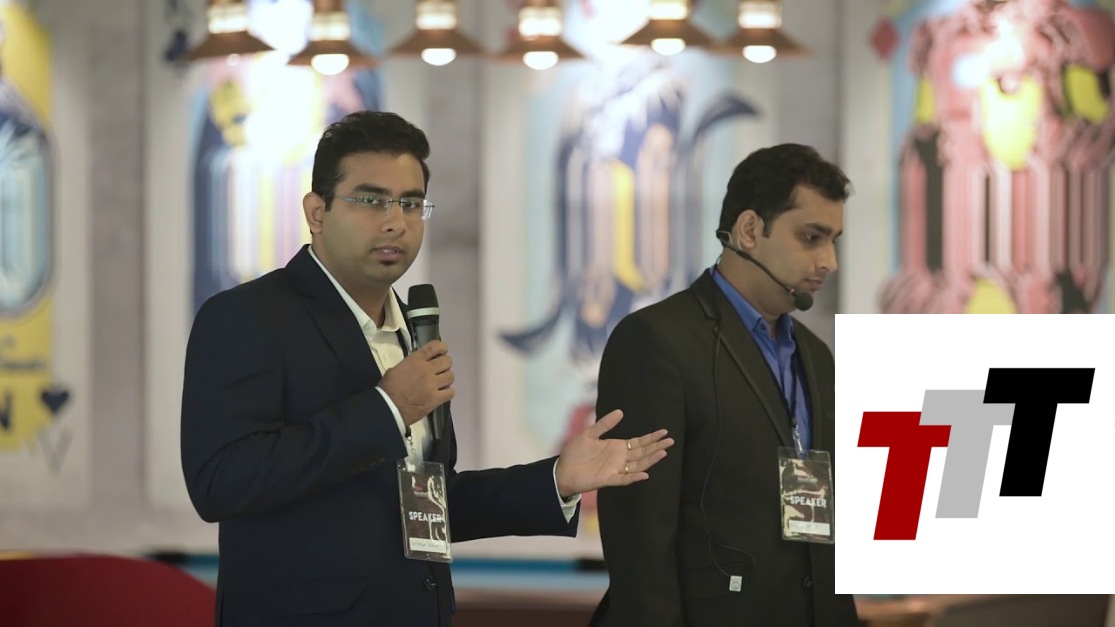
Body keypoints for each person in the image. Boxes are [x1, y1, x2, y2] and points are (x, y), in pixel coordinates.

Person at [180, 110, 674, 627]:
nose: (396, 221)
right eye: (371, 200)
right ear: (317, 212)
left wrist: (556, 480)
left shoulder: (413, 331)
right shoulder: (247, 317)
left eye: (411, 203)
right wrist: (387, 408)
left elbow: (428, 501)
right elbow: (220, 483)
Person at [589, 144, 860, 626]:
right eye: (812, 237)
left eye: (834, 240)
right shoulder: (656, 341)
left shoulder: (816, 356)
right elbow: (639, 541)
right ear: (750, 230)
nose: (829, 261)